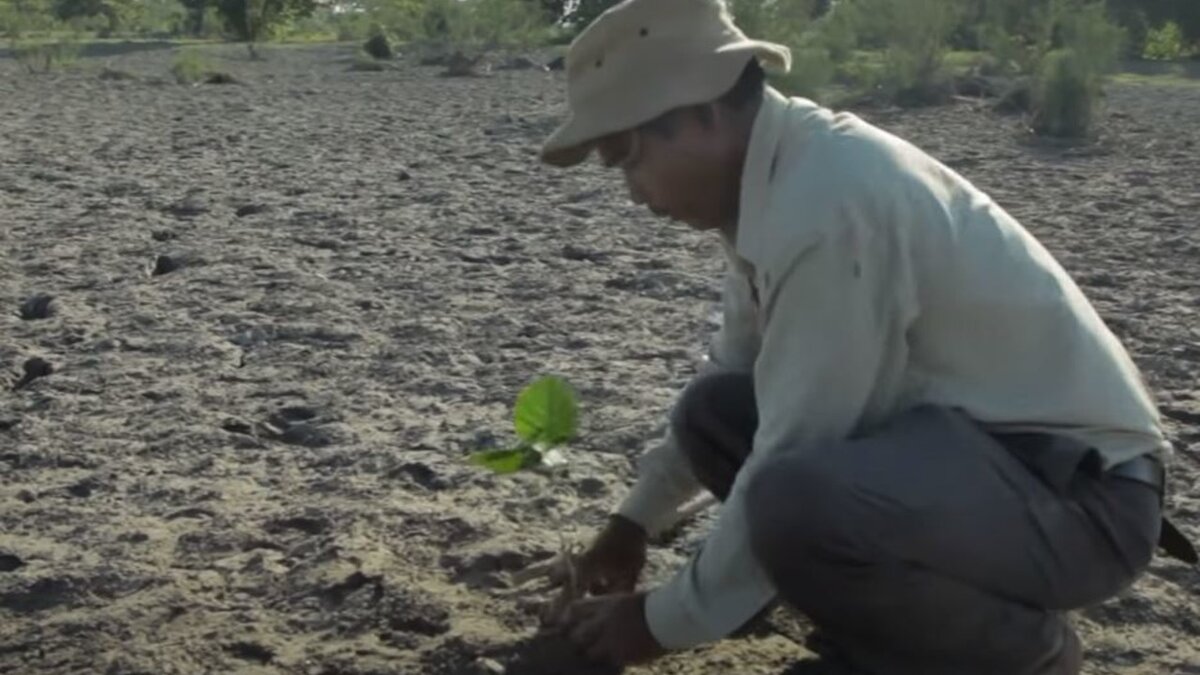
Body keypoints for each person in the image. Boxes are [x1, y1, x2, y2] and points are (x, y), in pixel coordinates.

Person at [531, 0, 1197, 673]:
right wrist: (632, 523)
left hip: (1082, 504)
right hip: (980, 464)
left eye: (628, 158)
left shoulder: (829, 203)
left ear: (702, 112)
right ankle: (871, 626)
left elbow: (799, 440)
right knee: (715, 412)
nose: (631, 192)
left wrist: (651, 624)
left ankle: (1020, 655)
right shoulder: (775, 185)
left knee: (795, 497)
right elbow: (734, 369)